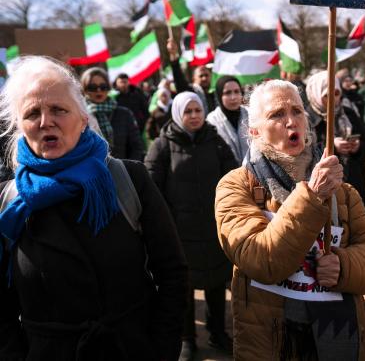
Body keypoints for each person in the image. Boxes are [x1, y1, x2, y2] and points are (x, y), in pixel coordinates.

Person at [0, 56, 188, 360]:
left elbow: (171, 272)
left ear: (83, 118)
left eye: (59, 109)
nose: (46, 121)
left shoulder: (129, 179)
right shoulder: (9, 202)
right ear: (20, 126)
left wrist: (160, 349)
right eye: (33, 113)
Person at [214, 80, 365, 360]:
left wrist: (344, 266)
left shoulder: (341, 190)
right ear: (254, 130)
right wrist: (311, 196)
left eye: (297, 111)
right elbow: (261, 260)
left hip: (336, 332)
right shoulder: (236, 186)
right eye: (276, 115)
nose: (290, 121)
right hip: (272, 339)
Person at [145, 92, 237, 360]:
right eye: (188, 111)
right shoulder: (162, 145)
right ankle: (187, 339)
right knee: (182, 287)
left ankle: (218, 333)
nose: (194, 116)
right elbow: (150, 190)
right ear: (177, 114)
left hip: (213, 229)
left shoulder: (215, 141)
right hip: (179, 232)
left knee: (216, 284)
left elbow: (233, 179)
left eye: (198, 110)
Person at [305, 71, 365, 211]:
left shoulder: (349, 113)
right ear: (316, 94)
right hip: (324, 187)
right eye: (327, 95)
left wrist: (357, 147)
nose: (333, 99)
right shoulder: (306, 119)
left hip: (353, 183)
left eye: (336, 93)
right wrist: (331, 146)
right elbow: (304, 152)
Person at [80, 67, 145, 161]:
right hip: (91, 173)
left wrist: (127, 169)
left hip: (122, 171)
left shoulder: (124, 114)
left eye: (103, 87)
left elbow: (137, 147)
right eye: (93, 87)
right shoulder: (79, 116)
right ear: (85, 90)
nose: (99, 91)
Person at [206, 75, 250, 164]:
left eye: (237, 91)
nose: (233, 97)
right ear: (219, 95)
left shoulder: (251, 114)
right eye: (227, 93)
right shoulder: (212, 121)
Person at [167, 39, 218, 114]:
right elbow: (179, 81)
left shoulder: (216, 95)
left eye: (206, 75)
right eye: (201, 76)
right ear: (194, 79)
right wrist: (173, 55)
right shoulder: (190, 92)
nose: (204, 78)